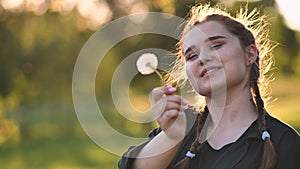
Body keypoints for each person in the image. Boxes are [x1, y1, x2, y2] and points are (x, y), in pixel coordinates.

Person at [118, 3, 300, 169]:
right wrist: (171, 138)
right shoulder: (177, 129)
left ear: (250, 54)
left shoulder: (285, 143)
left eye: (215, 45)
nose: (202, 58)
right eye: (191, 56)